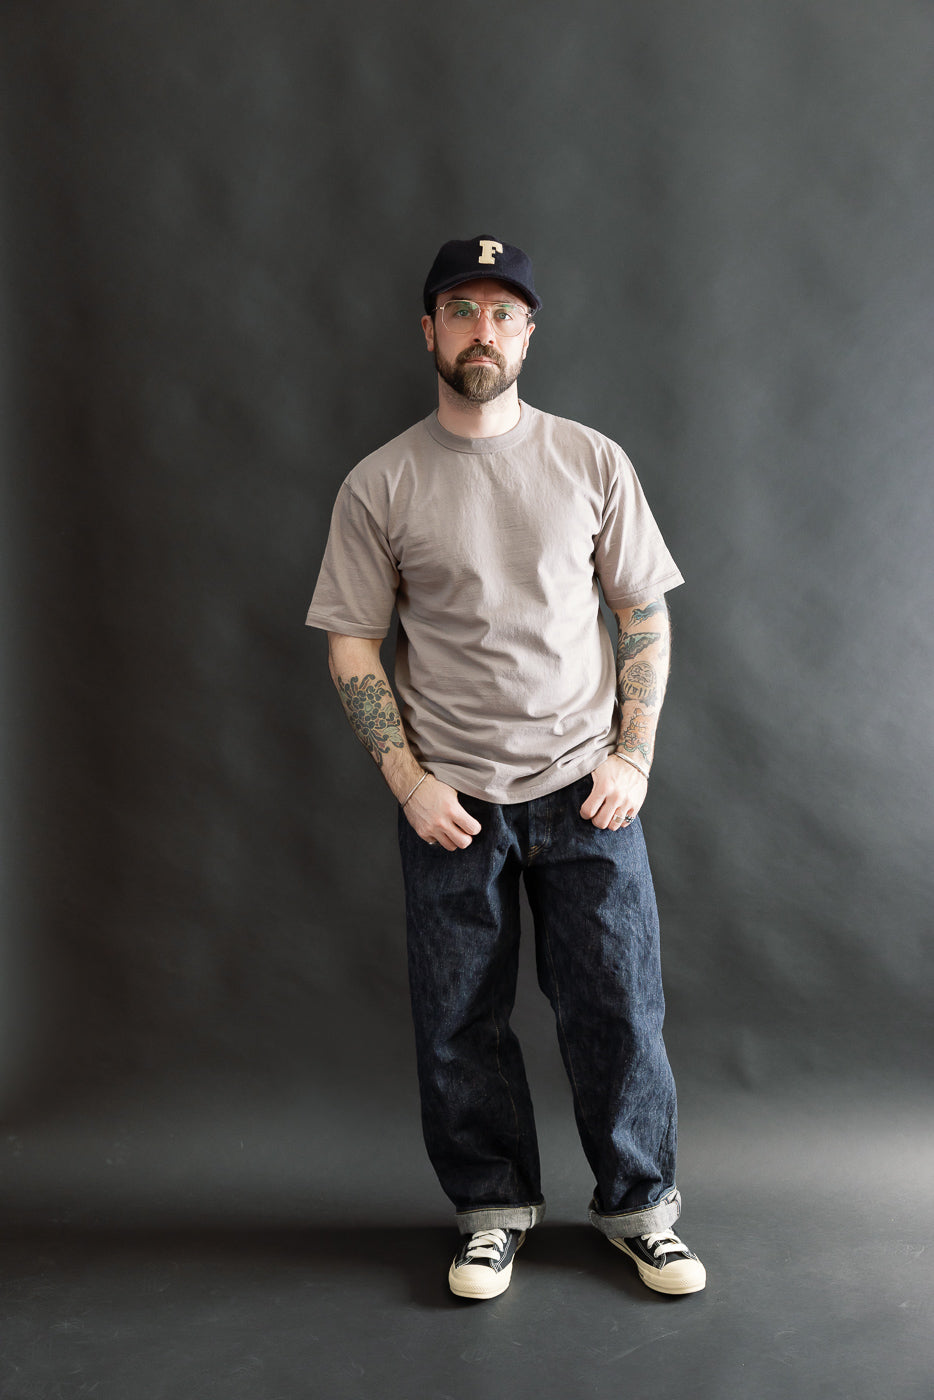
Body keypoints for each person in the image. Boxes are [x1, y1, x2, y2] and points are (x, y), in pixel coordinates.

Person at [306, 235, 706, 1300]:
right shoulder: (379, 482)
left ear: (529, 333)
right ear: (428, 329)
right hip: (452, 799)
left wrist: (633, 754)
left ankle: (639, 1209)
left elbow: (640, 609)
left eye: (503, 312)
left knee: (617, 1008)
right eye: (461, 309)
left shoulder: (591, 460)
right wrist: (407, 779)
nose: (482, 330)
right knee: (457, 1018)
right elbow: (352, 638)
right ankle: (491, 1210)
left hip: (587, 790)